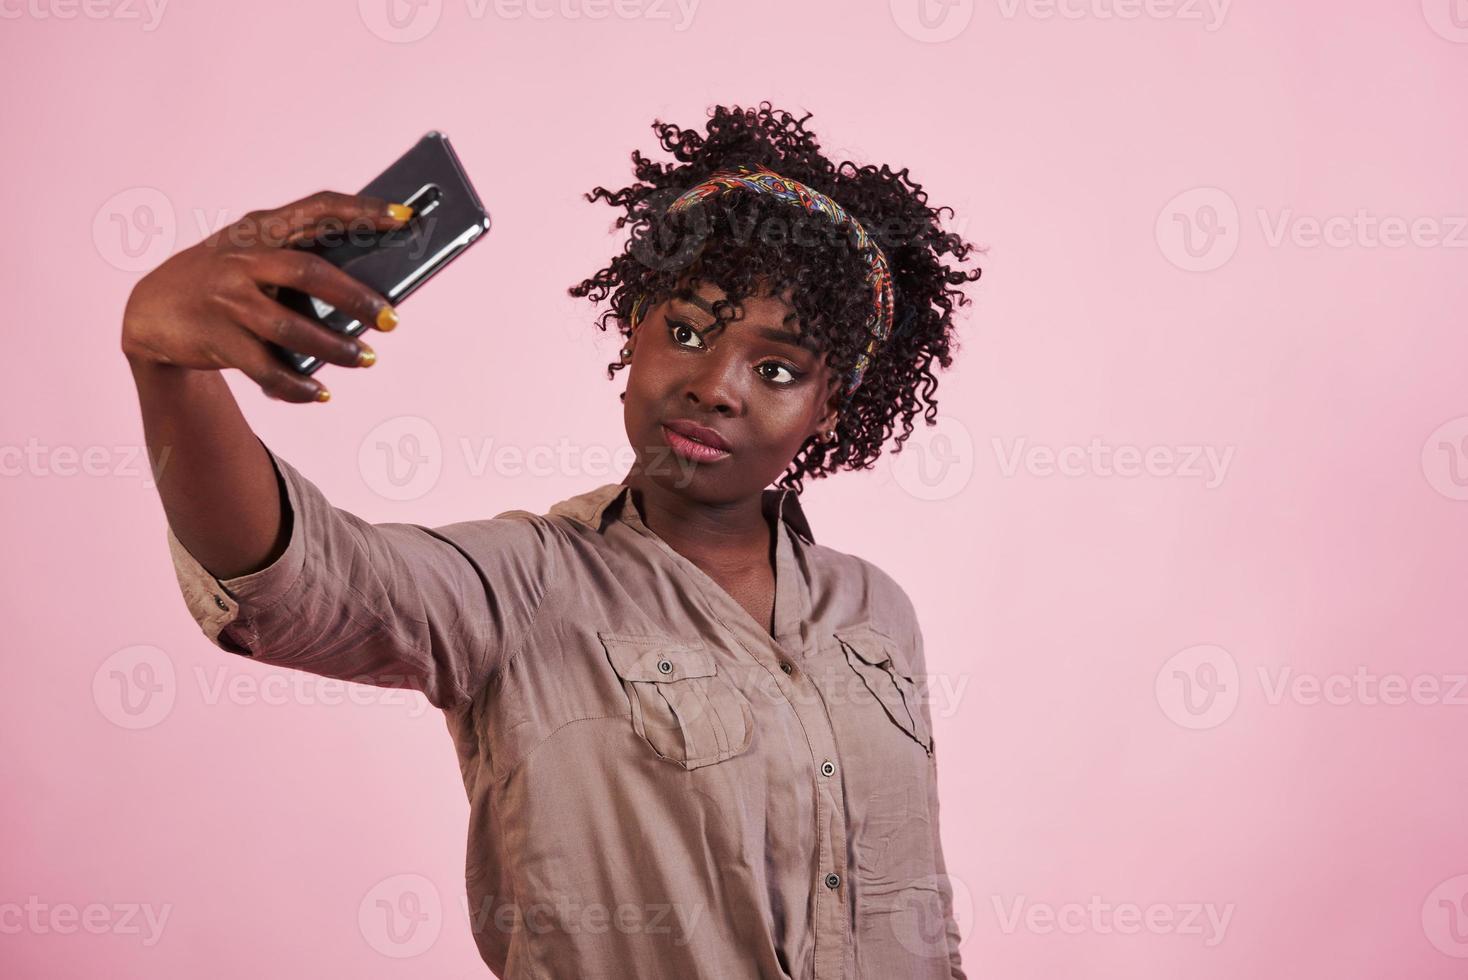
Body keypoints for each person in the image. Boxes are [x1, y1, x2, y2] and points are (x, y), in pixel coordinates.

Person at [122, 102, 982, 979]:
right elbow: (307, 579)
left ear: (827, 409)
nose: (715, 388)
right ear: (633, 331)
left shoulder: (877, 611)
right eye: (685, 332)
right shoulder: (527, 586)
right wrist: (170, 367)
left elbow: (919, 911)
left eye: (776, 370)